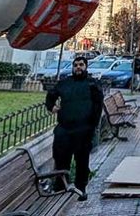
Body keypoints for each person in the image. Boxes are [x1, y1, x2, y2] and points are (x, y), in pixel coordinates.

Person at [45, 56, 103, 201]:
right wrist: (51, 106)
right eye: (76, 65)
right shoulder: (65, 83)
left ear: (86, 67)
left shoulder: (92, 84)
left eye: (81, 65)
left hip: (83, 130)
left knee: (82, 161)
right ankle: (60, 187)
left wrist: (93, 126)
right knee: (61, 159)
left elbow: (98, 106)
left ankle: (81, 188)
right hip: (64, 129)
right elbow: (51, 95)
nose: (78, 67)